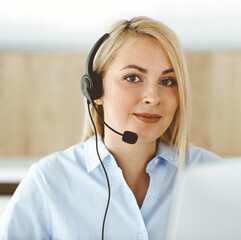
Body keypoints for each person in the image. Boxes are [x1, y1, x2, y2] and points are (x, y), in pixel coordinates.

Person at [0, 16, 222, 239]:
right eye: (133, 77)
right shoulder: (47, 182)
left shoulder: (214, 177)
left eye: (167, 81)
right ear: (95, 91)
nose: (153, 98)